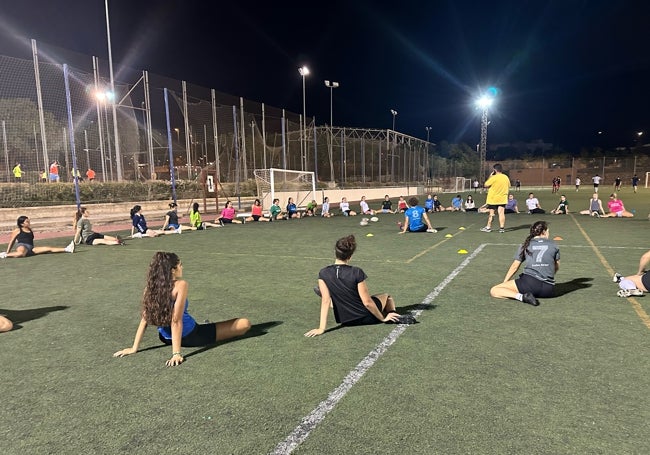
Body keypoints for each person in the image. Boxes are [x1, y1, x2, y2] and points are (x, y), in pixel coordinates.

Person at [113, 252, 251, 366]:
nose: (182, 268)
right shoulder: (181, 285)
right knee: (244, 323)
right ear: (173, 270)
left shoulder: (150, 288)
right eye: (180, 265)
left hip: (165, 338)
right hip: (191, 336)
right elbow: (176, 321)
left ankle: (208, 326)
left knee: (212, 326)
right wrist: (176, 353)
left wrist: (134, 348)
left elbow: (145, 319)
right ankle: (208, 328)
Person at [304, 235, 410, 337]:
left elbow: (325, 301)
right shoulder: (356, 272)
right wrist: (382, 319)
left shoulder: (323, 273)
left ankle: (335, 301)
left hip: (345, 320)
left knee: (333, 298)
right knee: (387, 297)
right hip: (367, 317)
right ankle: (393, 315)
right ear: (350, 256)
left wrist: (321, 328)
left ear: (335, 252)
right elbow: (367, 302)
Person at [489, 220, 560, 306]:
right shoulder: (554, 245)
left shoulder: (526, 245)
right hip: (548, 290)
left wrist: (505, 282)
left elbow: (515, 266)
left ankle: (522, 297)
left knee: (495, 290)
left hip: (528, 284)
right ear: (544, 232)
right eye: (548, 231)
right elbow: (556, 267)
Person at [1, 216, 75, 258]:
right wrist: (8, 251)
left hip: (31, 248)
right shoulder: (17, 230)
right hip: (22, 246)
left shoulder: (30, 229)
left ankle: (67, 249)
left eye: (28, 221)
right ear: (22, 224)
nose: (29, 222)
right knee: (21, 254)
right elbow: (12, 241)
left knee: (48, 249)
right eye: (27, 221)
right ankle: (4, 255)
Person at [481, 163, 510, 233]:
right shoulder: (506, 177)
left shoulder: (494, 177)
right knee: (501, 213)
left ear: (494, 170)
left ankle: (488, 227)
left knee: (492, 213)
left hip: (493, 198)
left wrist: (490, 176)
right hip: (502, 198)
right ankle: (502, 228)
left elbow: (485, 184)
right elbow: (509, 185)